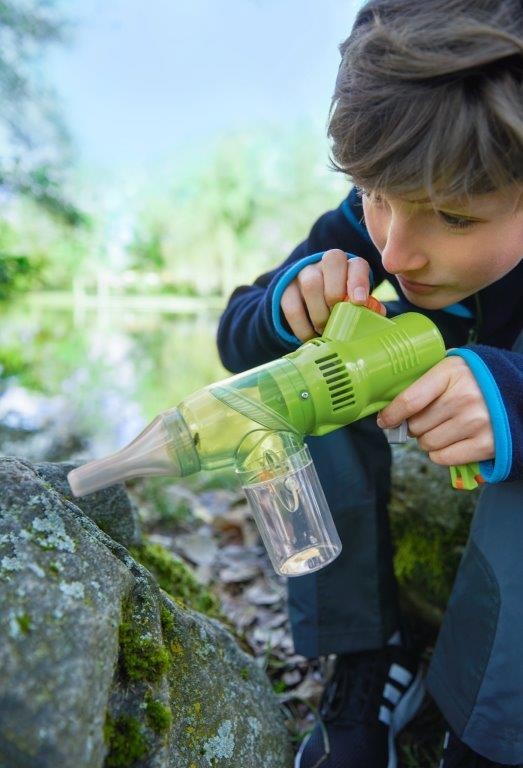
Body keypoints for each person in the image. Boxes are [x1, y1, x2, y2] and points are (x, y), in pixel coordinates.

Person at [216, 1, 523, 766]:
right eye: (375, 196)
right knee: (302, 380)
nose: (395, 249)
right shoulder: (376, 221)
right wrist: (291, 306)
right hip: (410, 404)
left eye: (452, 218)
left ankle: (483, 733)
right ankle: (361, 657)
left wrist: (511, 397)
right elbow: (236, 333)